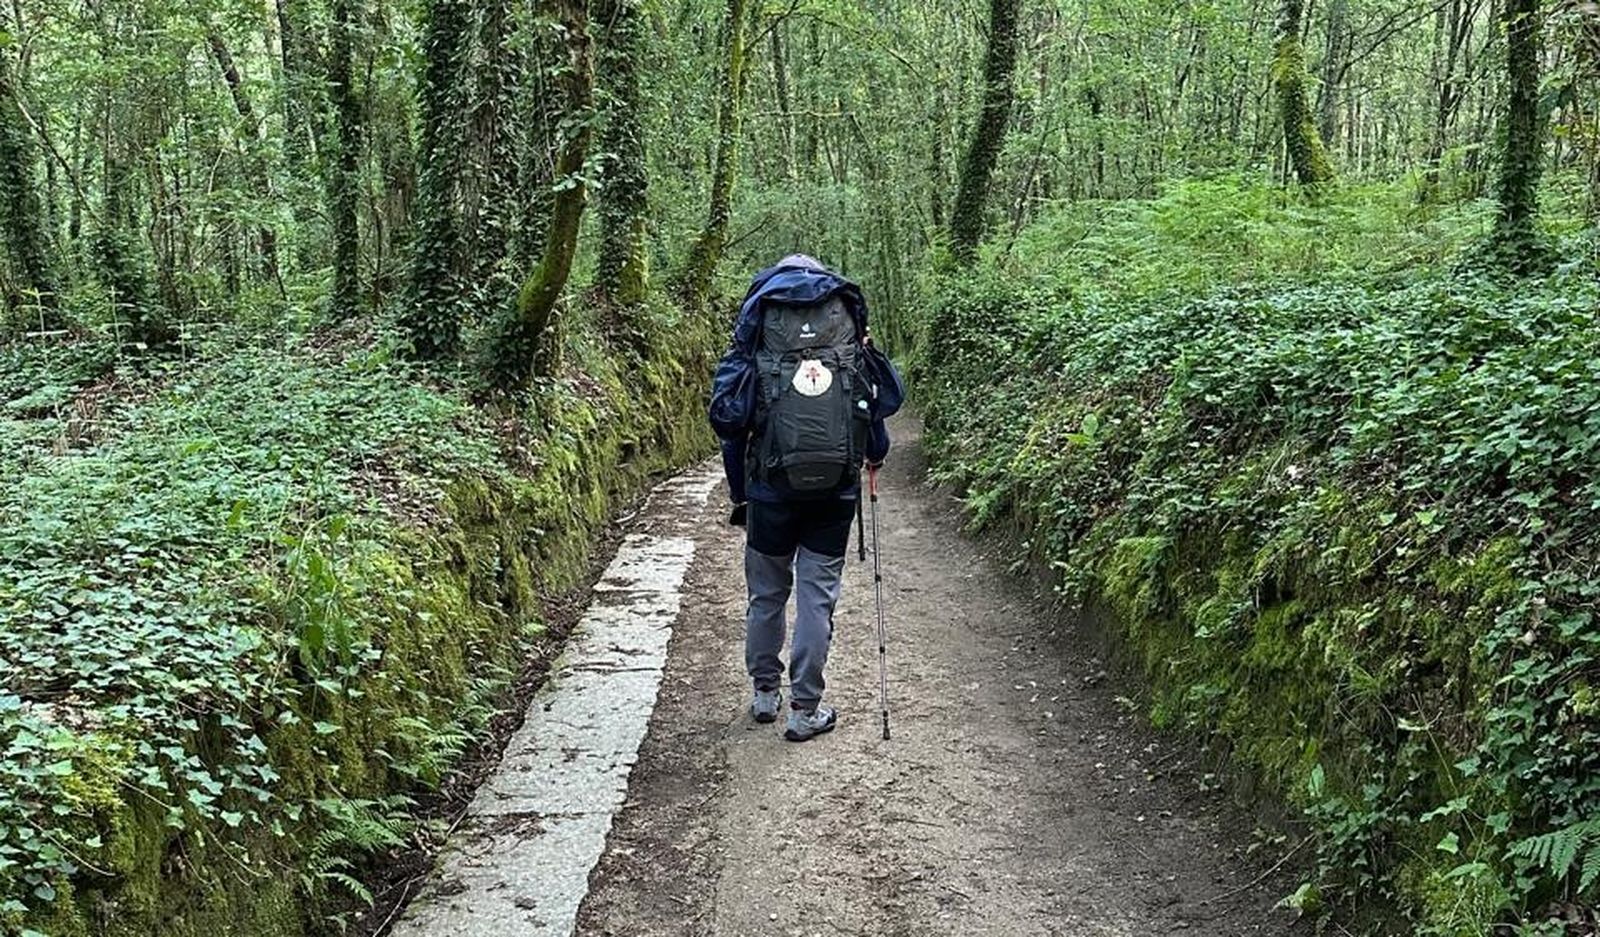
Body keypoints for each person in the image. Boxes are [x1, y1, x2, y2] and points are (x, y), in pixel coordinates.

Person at [708, 254, 904, 742]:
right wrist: (872, 457)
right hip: (835, 490)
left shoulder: (759, 333)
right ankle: (805, 708)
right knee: (817, 598)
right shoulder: (845, 335)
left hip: (769, 490)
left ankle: (764, 693)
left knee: (767, 594)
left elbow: (730, 424)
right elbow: (874, 419)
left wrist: (740, 492)